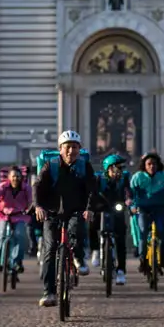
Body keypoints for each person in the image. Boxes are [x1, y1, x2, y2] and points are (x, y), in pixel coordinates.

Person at [33, 130, 97, 307]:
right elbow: (37, 186)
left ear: (79, 149)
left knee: (76, 232)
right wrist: (38, 206)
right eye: (67, 147)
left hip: (76, 211)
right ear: (60, 148)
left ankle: (78, 257)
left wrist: (89, 209)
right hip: (52, 213)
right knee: (50, 249)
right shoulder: (50, 165)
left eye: (75, 147)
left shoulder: (85, 166)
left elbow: (92, 189)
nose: (71, 151)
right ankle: (49, 292)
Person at [92, 153, 131, 285]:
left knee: (121, 238)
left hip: (117, 208)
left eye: (120, 168)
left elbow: (128, 192)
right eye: (116, 168)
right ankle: (96, 250)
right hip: (101, 207)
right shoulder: (99, 178)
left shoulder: (124, 178)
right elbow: (93, 194)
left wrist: (129, 200)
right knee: (92, 225)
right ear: (108, 168)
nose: (119, 171)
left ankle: (121, 270)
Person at [130, 152, 164, 274]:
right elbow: (130, 195)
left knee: (162, 232)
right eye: (149, 164)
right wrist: (132, 206)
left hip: (159, 208)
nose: (152, 166)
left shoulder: (163, 176)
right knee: (143, 233)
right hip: (142, 209)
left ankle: (163, 258)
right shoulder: (137, 177)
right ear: (144, 165)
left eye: (154, 164)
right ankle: (143, 261)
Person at [0, 166, 32, 274]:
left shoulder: (26, 188)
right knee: (2, 235)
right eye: (13, 176)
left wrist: (29, 209)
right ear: (9, 178)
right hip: (3, 215)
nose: (15, 178)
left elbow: (31, 201)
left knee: (20, 235)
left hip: (19, 215)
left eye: (18, 176)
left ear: (21, 178)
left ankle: (17, 261)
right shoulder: (3, 186)